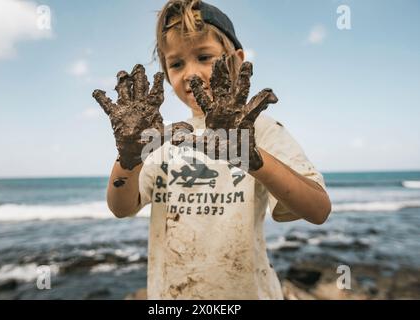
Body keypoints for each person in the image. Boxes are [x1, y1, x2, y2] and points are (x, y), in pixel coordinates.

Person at [93, 0, 331, 300]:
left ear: (236, 60)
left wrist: (252, 157)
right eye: (176, 63)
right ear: (166, 73)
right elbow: (122, 207)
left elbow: (318, 209)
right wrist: (127, 158)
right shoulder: (158, 138)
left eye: (204, 57)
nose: (190, 74)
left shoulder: (260, 130)